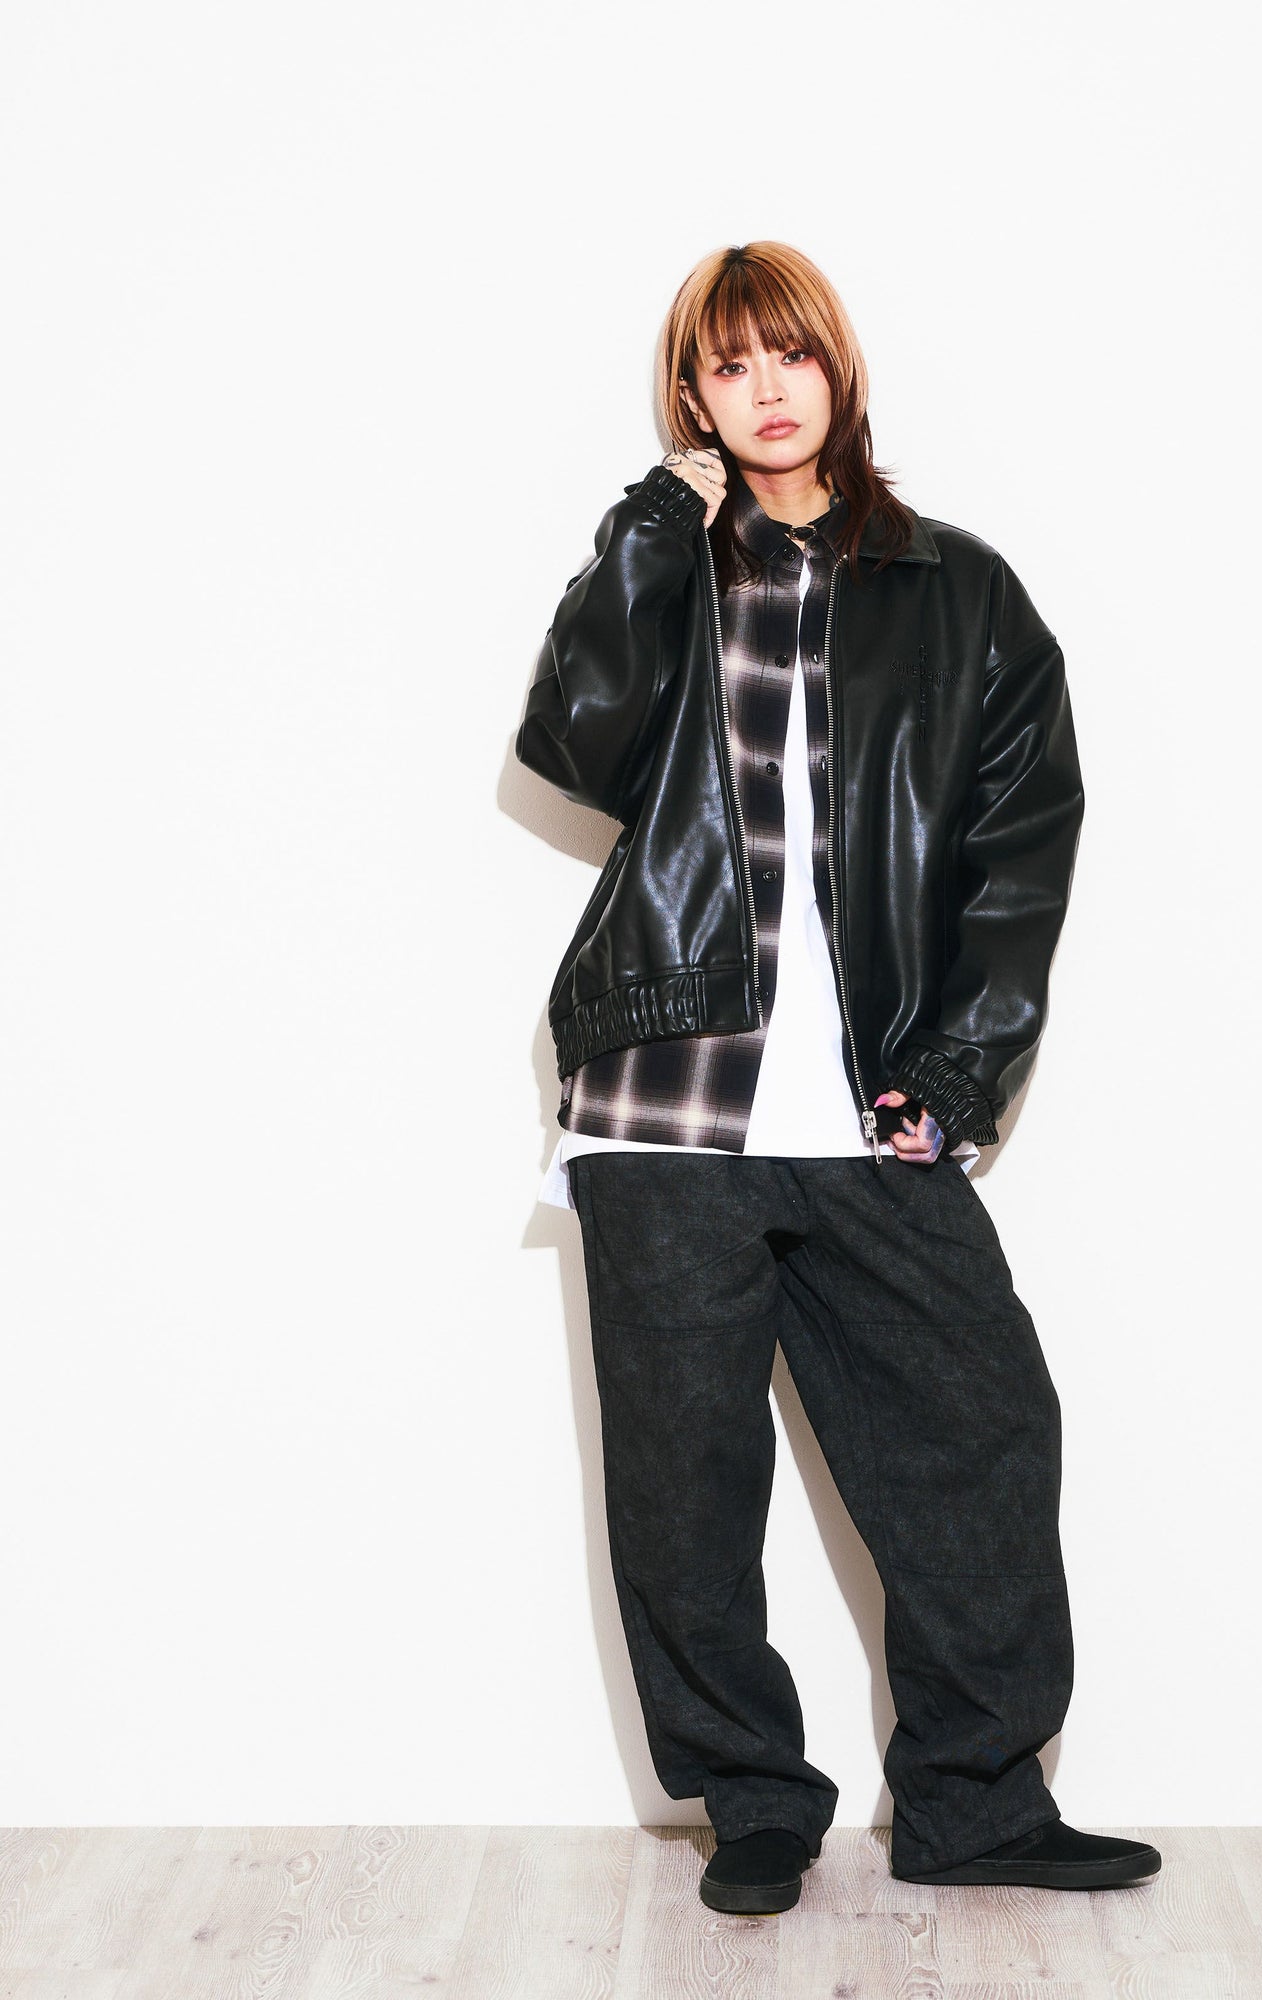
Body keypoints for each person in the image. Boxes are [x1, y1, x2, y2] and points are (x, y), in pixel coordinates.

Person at [515, 241, 1160, 1915]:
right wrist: (652, 527)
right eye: (730, 365)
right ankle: (754, 1802)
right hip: (665, 1105)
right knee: (685, 1489)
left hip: (869, 1106)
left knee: (981, 1430)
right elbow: (573, 745)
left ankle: (974, 1802)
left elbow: (1022, 849)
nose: (768, 389)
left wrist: (958, 1069)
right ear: (693, 397)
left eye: (789, 354)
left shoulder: (960, 593)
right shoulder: (667, 564)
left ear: (838, 368)